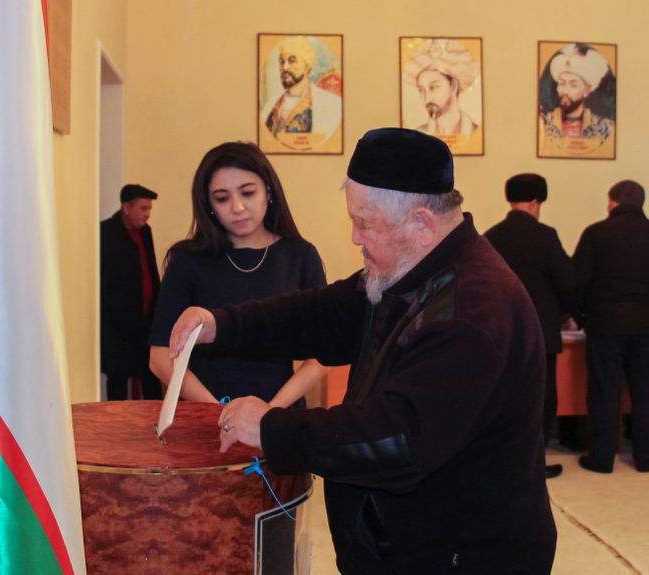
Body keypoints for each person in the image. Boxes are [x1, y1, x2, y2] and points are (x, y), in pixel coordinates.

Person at [169, 128, 557, 573]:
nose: (355, 237)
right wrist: (221, 324)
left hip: (462, 556)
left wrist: (273, 429)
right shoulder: (413, 270)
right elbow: (320, 314)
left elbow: (396, 439)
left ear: (422, 224)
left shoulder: (472, 311)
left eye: (365, 223)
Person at [149, 141, 327, 407]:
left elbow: (322, 354)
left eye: (247, 192)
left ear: (268, 191)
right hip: (204, 415)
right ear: (208, 204)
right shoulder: (187, 260)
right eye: (222, 198)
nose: (238, 207)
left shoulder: (300, 256)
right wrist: (217, 413)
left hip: (277, 417)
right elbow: (161, 356)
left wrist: (269, 413)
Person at [485, 173, 576, 479]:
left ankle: (499, 459)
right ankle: (534, 461)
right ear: (536, 203)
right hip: (540, 331)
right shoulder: (545, 236)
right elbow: (567, 281)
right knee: (541, 397)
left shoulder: (491, 236)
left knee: (503, 396)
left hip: (500, 331)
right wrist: (568, 312)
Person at [573, 180, 649, 473]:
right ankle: (645, 457)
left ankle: (602, 458)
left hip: (605, 325)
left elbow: (578, 280)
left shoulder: (596, 233)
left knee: (604, 390)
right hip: (646, 327)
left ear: (613, 202)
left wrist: (579, 315)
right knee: (645, 392)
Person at [100, 184, 163, 400]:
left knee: (151, 377)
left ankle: (157, 426)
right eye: (143, 209)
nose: (147, 215)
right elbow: (105, 284)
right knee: (117, 380)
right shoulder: (105, 233)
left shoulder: (146, 232)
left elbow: (151, 271)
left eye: (149, 210)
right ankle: (114, 429)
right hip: (117, 327)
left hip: (145, 324)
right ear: (127, 207)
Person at [261, 35, 341, 139]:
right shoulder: (270, 105)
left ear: (307, 66)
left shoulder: (332, 103)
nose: (285, 67)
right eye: (281, 61)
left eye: (292, 60)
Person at [403, 38, 480, 136]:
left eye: (434, 87)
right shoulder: (418, 136)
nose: (427, 98)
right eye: (421, 90)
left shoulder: (473, 132)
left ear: (453, 86)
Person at [540, 43, 614, 142]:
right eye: (561, 83)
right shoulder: (543, 122)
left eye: (573, 85)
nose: (565, 91)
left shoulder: (603, 126)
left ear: (586, 90)